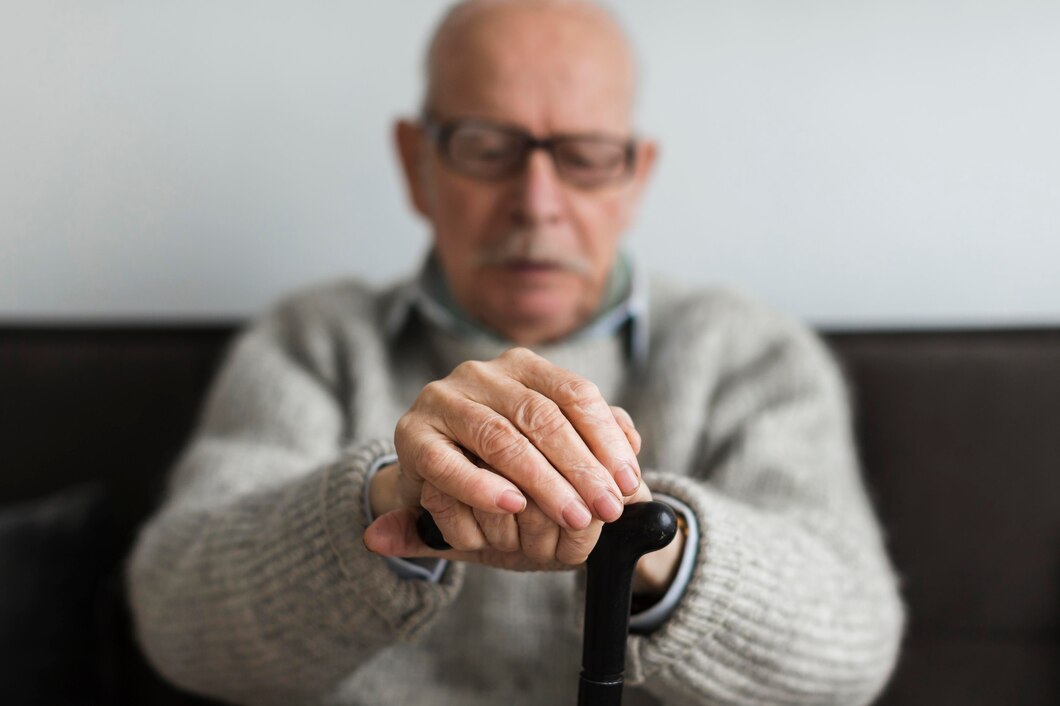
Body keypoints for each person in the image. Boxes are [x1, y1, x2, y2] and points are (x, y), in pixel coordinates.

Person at [127, 1, 905, 704]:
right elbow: (179, 619)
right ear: (416, 163)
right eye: (487, 145)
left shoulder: (751, 354)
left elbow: (848, 651)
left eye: (586, 155)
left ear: (635, 176)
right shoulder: (313, 342)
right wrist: (401, 497)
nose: (536, 201)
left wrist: (631, 527)